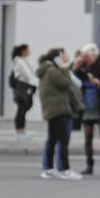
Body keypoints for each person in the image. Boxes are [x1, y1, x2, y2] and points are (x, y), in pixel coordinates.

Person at [38, 47, 83, 180]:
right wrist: (64, 69)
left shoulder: (48, 70)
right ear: (57, 57)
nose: (66, 56)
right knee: (62, 140)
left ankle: (48, 169)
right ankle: (64, 169)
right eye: (63, 54)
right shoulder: (53, 71)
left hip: (54, 109)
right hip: (59, 109)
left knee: (52, 139)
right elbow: (66, 83)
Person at [75, 44, 100, 176]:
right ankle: (89, 165)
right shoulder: (80, 69)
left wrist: (99, 84)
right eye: (83, 57)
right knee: (88, 136)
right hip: (86, 107)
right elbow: (73, 82)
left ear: (94, 56)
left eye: (87, 57)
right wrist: (75, 67)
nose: (85, 59)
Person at [10, 44, 38, 138]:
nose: (29, 52)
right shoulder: (19, 61)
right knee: (22, 108)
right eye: (27, 50)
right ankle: (19, 131)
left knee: (22, 109)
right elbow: (28, 74)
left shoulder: (22, 60)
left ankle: (21, 130)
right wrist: (33, 81)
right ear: (23, 51)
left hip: (23, 86)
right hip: (22, 86)